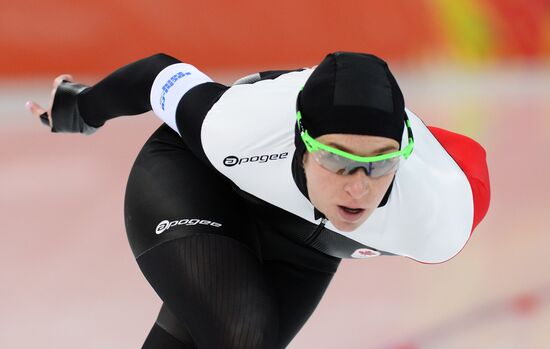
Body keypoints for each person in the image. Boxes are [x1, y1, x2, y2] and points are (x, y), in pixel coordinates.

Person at [26, 52, 491, 349]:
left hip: (307, 243)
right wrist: (79, 111)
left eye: (380, 164)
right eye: (337, 160)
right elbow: (156, 76)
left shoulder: (438, 216)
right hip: (198, 180)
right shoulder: (238, 127)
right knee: (241, 338)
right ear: (301, 141)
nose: (359, 187)